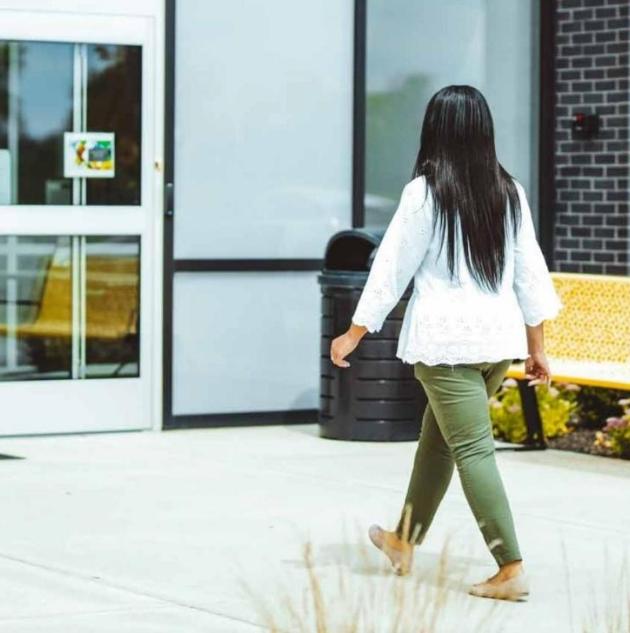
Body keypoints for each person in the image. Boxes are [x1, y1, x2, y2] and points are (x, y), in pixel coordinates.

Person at [329, 85, 563, 602]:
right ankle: (403, 541)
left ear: (435, 130)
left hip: (446, 343)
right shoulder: (510, 191)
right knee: (438, 443)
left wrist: (353, 333)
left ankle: (510, 566)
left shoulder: (425, 192)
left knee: (473, 450)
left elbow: (390, 269)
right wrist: (536, 345)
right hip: (496, 343)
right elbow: (530, 272)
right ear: (483, 130)